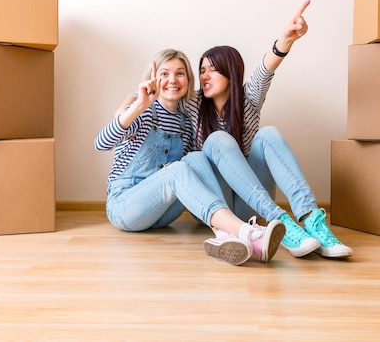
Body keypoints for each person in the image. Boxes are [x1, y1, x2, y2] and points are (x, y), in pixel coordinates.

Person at [119, 1, 353, 259]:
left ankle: (311, 220)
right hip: (217, 205)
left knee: (268, 134)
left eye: (212, 69)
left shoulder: (248, 100)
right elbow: (155, 94)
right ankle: (280, 222)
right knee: (206, 148)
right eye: (202, 70)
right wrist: (128, 107)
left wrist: (286, 39)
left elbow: (266, 69)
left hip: (250, 203)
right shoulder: (193, 103)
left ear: (231, 72)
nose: (204, 76)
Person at [95, 48, 285, 266]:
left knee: (193, 159)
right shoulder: (143, 110)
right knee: (177, 169)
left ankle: (225, 235)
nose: (172, 80)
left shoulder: (186, 123)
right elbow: (101, 143)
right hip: (126, 207)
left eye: (180, 73)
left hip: (164, 214)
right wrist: (136, 104)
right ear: (153, 78)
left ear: (188, 80)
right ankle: (246, 232)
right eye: (164, 73)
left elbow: (193, 175)